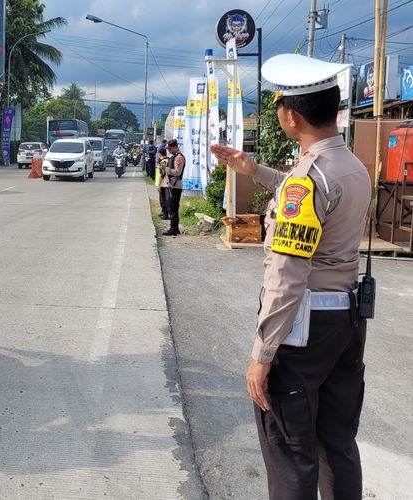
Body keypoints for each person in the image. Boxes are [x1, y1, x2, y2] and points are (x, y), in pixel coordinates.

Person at [210, 54, 371, 500]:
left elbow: (287, 275)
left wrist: (263, 355)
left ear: (291, 115)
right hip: (347, 321)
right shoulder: (349, 166)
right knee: (336, 444)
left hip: (303, 332)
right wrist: (253, 170)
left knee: (290, 452)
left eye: (279, 105)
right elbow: (309, 191)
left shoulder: (308, 180)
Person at [160, 139, 184, 235]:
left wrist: (165, 168)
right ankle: (174, 228)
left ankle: (173, 229)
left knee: (173, 207)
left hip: (175, 186)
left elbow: (177, 172)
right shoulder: (173, 156)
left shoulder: (179, 157)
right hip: (171, 185)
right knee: (170, 206)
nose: (169, 151)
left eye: (170, 149)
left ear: (175, 147)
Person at [154, 144, 170, 219]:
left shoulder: (163, 162)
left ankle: (165, 214)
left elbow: (161, 174)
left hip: (163, 183)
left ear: (159, 154)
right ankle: (164, 212)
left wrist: (159, 185)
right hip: (164, 183)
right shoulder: (167, 160)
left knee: (163, 199)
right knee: (163, 198)